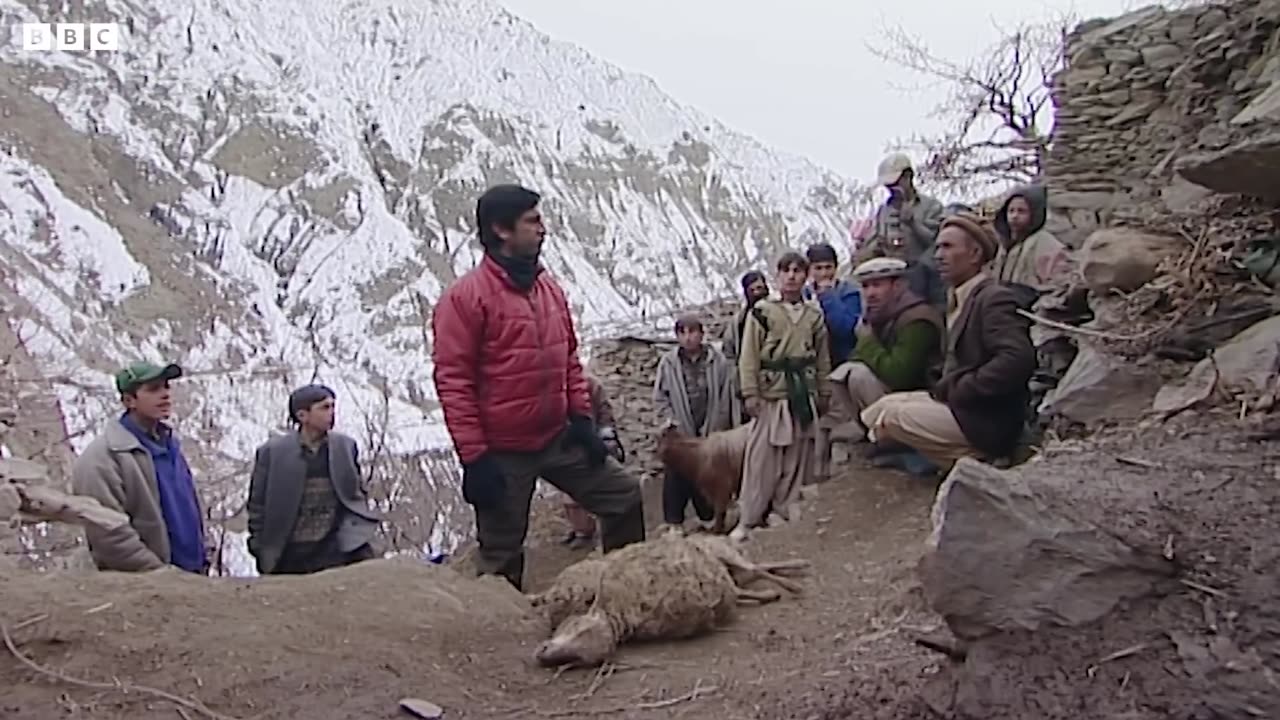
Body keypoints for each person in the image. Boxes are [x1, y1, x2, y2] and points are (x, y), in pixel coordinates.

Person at [431, 183, 645, 590]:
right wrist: (475, 459)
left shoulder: (549, 289)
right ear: (501, 230)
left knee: (624, 496)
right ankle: (502, 638)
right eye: (532, 221)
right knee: (500, 553)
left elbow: (568, 358)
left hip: (557, 436)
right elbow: (453, 381)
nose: (543, 228)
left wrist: (582, 419)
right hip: (503, 450)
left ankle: (622, 591)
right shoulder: (464, 299)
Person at [861, 213, 1035, 471]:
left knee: (892, 417)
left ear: (975, 254)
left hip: (984, 419)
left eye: (948, 247)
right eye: (938, 247)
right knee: (879, 410)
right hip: (959, 406)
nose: (938, 255)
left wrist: (963, 388)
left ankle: (977, 460)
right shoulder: (958, 298)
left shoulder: (992, 298)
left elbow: (1017, 359)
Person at [71, 361, 208, 574]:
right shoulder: (102, 458)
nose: (165, 395)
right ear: (129, 400)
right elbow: (107, 534)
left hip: (192, 575)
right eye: (153, 389)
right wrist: (157, 572)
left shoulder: (169, 445)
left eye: (166, 387)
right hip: (149, 585)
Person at [733, 252, 831, 540]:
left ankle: (784, 507)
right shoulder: (762, 312)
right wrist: (750, 392)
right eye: (786, 270)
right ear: (778, 275)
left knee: (797, 454)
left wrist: (823, 390)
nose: (792, 276)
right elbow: (748, 355)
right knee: (762, 457)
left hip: (802, 392)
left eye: (798, 271)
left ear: (806, 276)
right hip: (772, 393)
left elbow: (822, 357)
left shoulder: (814, 315)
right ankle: (750, 516)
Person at [246, 385, 382, 575]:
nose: (332, 413)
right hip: (289, 554)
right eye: (324, 408)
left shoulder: (344, 447)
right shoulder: (273, 453)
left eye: (333, 407)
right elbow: (257, 504)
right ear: (303, 415)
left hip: (334, 550)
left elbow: (354, 493)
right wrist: (259, 546)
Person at [829, 257, 945, 444]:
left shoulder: (917, 320)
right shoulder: (882, 315)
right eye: (866, 286)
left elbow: (899, 375)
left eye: (877, 285)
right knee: (846, 372)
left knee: (858, 375)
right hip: (900, 396)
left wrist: (868, 343)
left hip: (923, 399)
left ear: (898, 286)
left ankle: (893, 439)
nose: (870, 293)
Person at [652, 313, 734, 533]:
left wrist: (719, 424)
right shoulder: (668, 363)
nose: (688, 338)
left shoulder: (718, 362)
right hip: (681, 431)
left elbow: (726, 395)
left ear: (701, 334)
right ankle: (674, 523)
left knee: (708, 473)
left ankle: (709, 517)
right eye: (683, 333)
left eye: (693, 332)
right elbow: (660, 396)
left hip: (709, 429)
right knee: (676, 472)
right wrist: (670, 421)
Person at [802, 242, 862, 480]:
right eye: (818, 268)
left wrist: (828, 298)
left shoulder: (849, 294)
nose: (824, 273)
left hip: (842, 368)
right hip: (813, 373)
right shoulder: (803, 297)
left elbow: (846, 328)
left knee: (837, 425)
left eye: (829, 267)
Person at [857, 153, 946, 308]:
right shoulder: (883, 212)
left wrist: (912, 223)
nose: (892, 189)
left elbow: (935, 241)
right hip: (893, 281)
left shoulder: (932, 207)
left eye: (895, 183)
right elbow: (876, 243)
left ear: (908, 177)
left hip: (927, 280)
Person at [559, 373, 626, 549]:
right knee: (568, 495)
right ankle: (578, 528)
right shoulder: (554, 386)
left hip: (591, 442)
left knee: (590, 493)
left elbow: (605, 413)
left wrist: (606, 440)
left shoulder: (592, 384)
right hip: (566, 444)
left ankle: (588, 532)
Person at [991, 184, 1073, 306]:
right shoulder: (1005, 245)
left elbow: (1058, 284)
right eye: (1011, 211)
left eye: (1021, 211)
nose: (1014, 216)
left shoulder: (1045, 243)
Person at [720, 271, 771, 425]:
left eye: (760, 288)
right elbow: (729, 352)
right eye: (753, 290)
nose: (757, 293)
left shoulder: (778, 312)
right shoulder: (738, 322)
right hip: (748, 382)